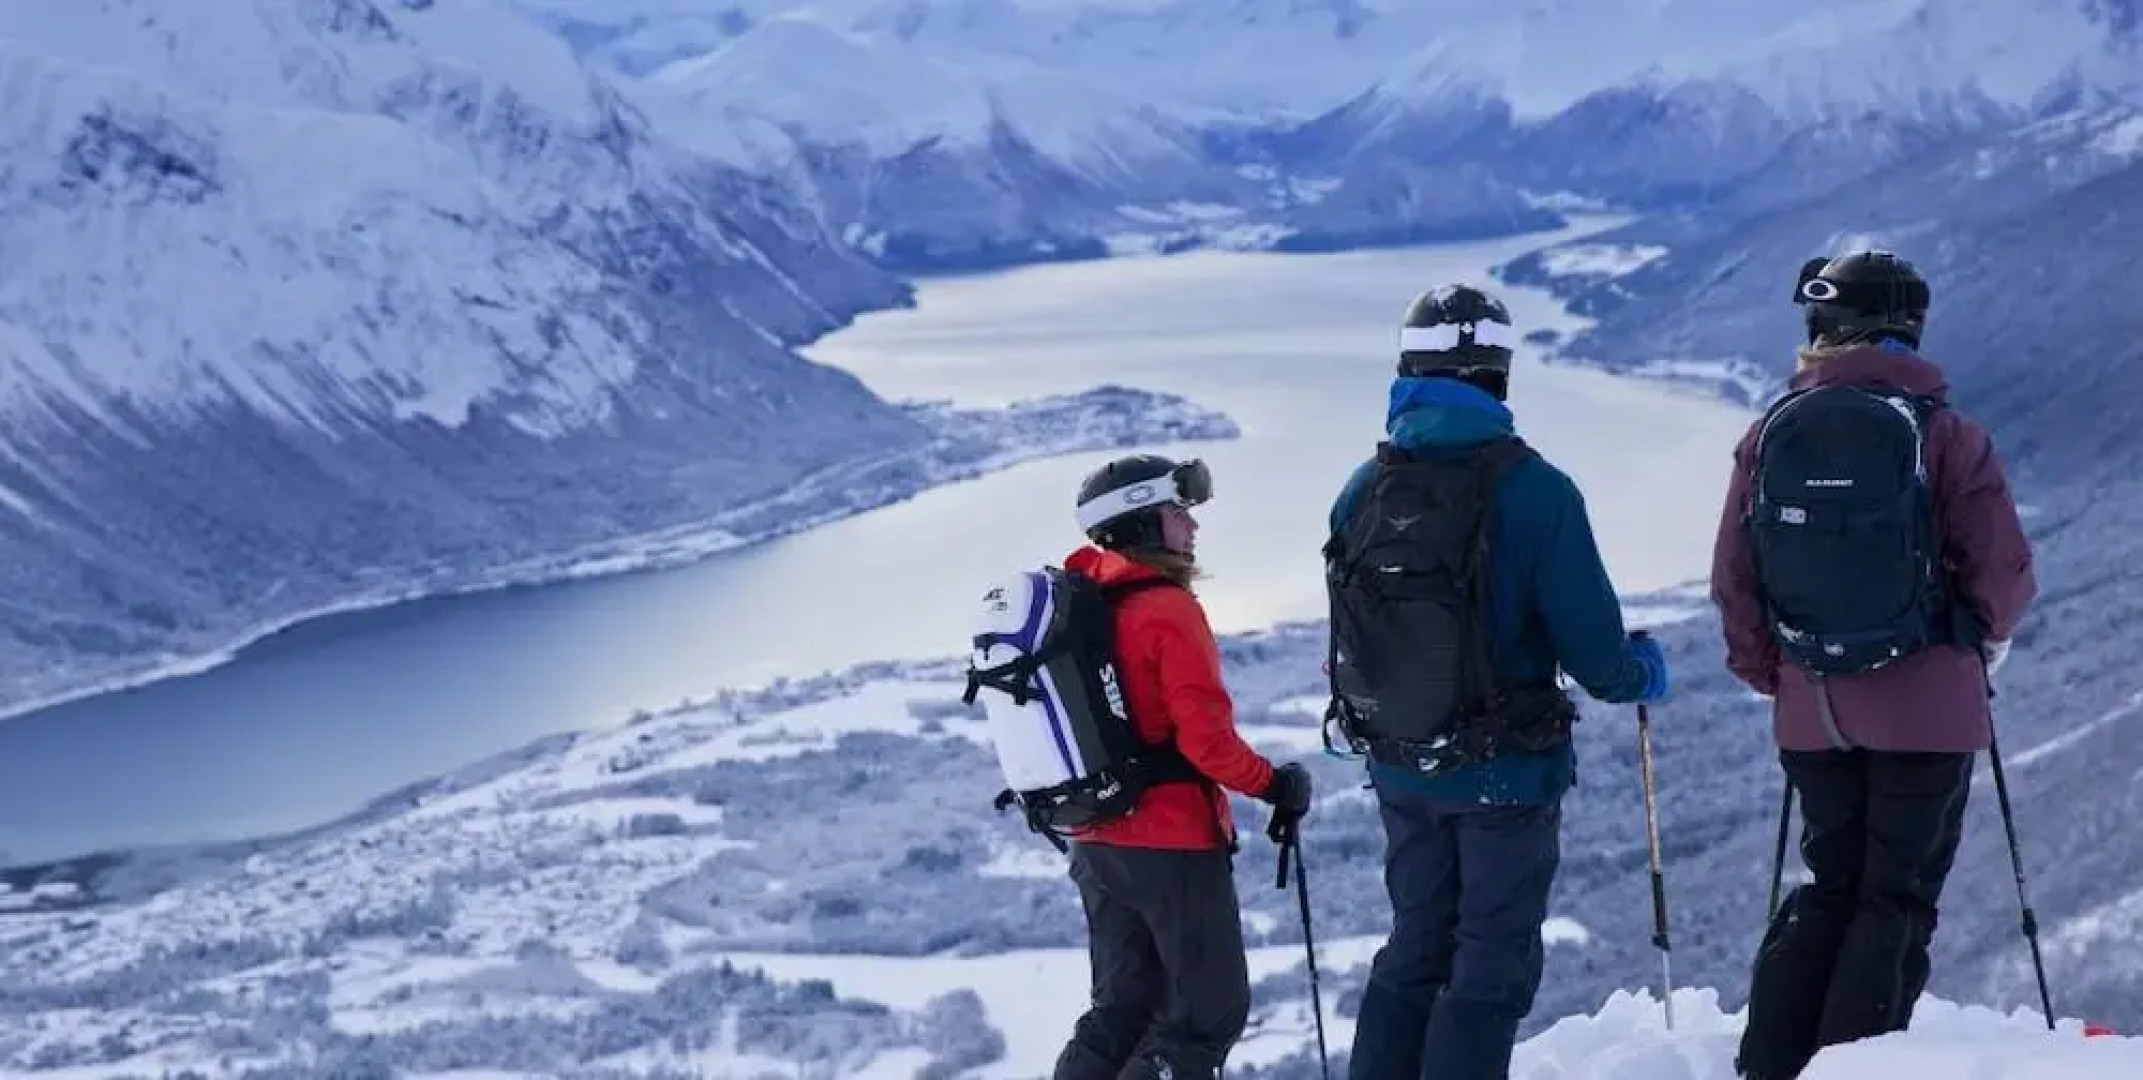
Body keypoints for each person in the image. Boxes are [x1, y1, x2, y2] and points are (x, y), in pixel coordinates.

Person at [1327, 285, 1671, 1080]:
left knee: (1414, 946)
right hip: (1504, 775)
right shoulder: (1537, 492)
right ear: (1497, 373)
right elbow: (1598, 661)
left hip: (1400, 764)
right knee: (1488, 966)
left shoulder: (1362, 490)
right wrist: (1644, 672)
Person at [1711, 250, 2037, 1080]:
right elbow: (2002, 575)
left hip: (1810, 707)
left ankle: (1769, 1064)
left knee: (1828, 886)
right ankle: (1850, 1068)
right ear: (1909, 326)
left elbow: (1734, 580)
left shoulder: (1770, 435)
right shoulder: (1945, 435)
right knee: (1892, 899)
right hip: (1926, 706)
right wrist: (1976, 643)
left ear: (1818, 327)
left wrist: (1774, 676)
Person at [1050, 452, 1316, 1080]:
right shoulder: (1166, 609)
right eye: (1178, 514)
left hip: (1096, 838)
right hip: (1169, 843)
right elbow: (1208, 745)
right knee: (1204, 1015)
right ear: (1143, 523)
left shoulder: (1084, 597)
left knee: (1120, 1008)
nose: (1192, 527)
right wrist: (1276, 784)